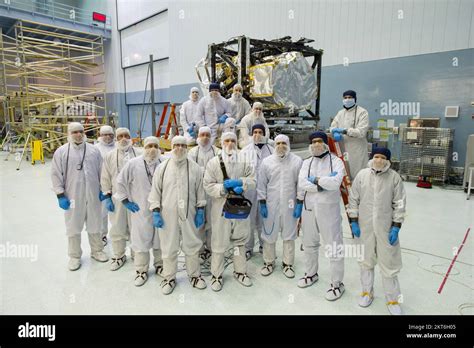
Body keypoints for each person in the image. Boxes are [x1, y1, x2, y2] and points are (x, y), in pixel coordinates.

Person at [348, 147, 406, 315]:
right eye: (376, 156)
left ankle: (393, 299)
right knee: (365, 261)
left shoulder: (394, 178)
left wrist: (396, 226)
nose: (378, 160)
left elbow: (400, 203)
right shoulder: (362, 176)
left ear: (388, 161)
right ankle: (367, 292)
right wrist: (353, 221)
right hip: (364, 227)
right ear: (371, 158)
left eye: (382, 157)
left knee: (389, 264)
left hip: (386, 228)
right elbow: (353, 199)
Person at [149, 136, 207, 295]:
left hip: (190, 214)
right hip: (167, 214)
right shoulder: (162, 167)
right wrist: (155, 212)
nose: (179, 148)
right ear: (171, 147)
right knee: (168, 246)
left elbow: (200, 191)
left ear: (187, 148)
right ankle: (169, 277)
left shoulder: (195, 168)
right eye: (176, 145)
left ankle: (194, 275)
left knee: (192, 245)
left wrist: (201, 209)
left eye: (182, 145)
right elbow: (155, 192)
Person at [51, 122, 108, 271]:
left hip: (93, 194)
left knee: (95, 223)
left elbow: (102, 172)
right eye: (75, 132)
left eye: (80, 132)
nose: (78, 135)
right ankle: (74, 256)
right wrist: (60, 195)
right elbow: (56, 174)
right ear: (69, 134)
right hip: (73, 197)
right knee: (73, 226)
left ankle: (97, 251)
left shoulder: (93, 151)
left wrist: (104, 189)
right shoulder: (62, 152)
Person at [203, 132, 256, 291]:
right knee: (218, 242)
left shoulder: (244, 160)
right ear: (221, 142)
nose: (230, 143)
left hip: (239, 207)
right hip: (221, 208)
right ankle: (216, 275)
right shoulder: (213, 162)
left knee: (240, 241)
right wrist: (222, 188)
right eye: (227, 140)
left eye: (233, 140)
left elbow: (253, 180)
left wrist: (242, 183)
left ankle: (240, 272)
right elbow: (208, 185)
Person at [297, 131, 346, 301]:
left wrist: (316, 179)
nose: (316, 144)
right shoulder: (306, 162)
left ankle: (337, 284)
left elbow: (335, 184)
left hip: (329, 211)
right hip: (309, 208)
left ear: (325, 143)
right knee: (309, 244)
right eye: (313, 141)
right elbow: (302, 183)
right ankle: (311, 274)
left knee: (333, 246)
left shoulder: (336, 161)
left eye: (319, 141)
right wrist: (322, 183)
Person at [115, 136, 164, 286]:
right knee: (140, 240)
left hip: (161, 210)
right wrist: (125, 201)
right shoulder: (133, 164)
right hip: (140, 209)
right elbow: (120, 182)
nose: (153, 149)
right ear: (143, 147)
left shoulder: (164, 163)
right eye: (149, 146)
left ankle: (160, 265)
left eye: (156, 146)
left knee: (160, 240)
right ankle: (141, 270)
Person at [257, 134, 303, 278]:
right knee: (269, 234)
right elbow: (261, 184)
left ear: (288, 144)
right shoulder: (267, 162)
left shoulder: (297, 161)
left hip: (290, 204)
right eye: (278, 144)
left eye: (283, 143)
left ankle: (288, 264)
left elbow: (300, 184)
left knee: (289, 234)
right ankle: (269, 262)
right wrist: (262, 203)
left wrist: (299, 203)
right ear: (274, 145)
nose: (280, 146)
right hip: (271, 203)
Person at [101, 127, 139, 271]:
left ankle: (137, 254)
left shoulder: (139, 153)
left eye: (126, 136)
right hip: (117, 198)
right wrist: (107, 196)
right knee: (117, 227)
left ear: (130, 138)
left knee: (136, 227)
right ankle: (118, 255)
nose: (123, 139)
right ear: (116, 139)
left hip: (136, 198)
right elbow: (105, 177)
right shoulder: (110, 156)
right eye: (120, 136)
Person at [240, 124, 274, 259]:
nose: (257, 134)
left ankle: (263, 245)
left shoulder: (272, 151)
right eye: (254, 132)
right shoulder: (244, 151)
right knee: (249, 221)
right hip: (249, 190)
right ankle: (248, 248)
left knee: (264, 220)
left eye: (260, 132)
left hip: (266, 191)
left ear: (265, 134)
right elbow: (240, 170)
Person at [188, 126, 220, 263]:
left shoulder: (217, 152)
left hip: (213, 193)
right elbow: (189, 171)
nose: (205, 137)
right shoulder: (192, 152)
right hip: (198, 191)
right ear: (198, 137)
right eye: (202, 135)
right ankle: (200, 250)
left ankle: (212, 248)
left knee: (213, 222)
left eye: (208, 135)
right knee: (199, 223)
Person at [330, 90, 369, 180]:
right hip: (343, 147)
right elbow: (332, 127)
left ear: (355, 99)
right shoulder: (340, 113)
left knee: (357, 174)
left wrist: (345, 131)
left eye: (350, 97)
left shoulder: (362, 112)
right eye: (345, 98)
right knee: (344, 173)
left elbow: (361, 132)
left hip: (356, 149)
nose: (347, 99)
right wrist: (335, 132)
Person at [95, 125, 116, 245]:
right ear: (100, 135)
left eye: (110, 134)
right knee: (102, 213)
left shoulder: (118, 146)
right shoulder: (95, 149)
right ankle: (102, 235)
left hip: (117, 185)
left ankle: (122, 233)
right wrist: (99, 187)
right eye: (105, 134)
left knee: (119, 212)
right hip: (102, 185)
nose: (108, 137)